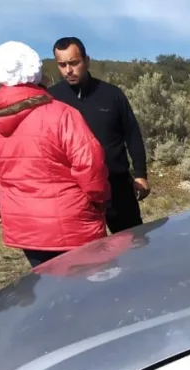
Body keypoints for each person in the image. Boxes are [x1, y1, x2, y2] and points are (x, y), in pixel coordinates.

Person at [0, 41, 111, 269]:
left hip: (24, 224)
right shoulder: (62, 114)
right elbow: (90, 165)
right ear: (36, 71)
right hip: (73, 221)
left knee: (47, 290)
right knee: (88, 293)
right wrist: (98, 201)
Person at [48, 37, 151, 234]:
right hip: (75, 192)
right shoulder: (52, 99)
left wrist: (140, 174)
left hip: (117, 185)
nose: (68, 70)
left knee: (134, 244)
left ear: (87, 60)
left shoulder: (112, 94)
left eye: (74, 62)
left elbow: (132, 134)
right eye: (62, 65)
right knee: (90, 257)